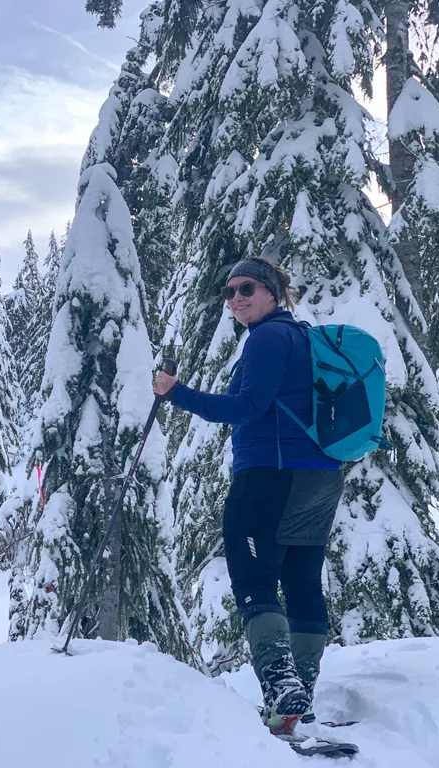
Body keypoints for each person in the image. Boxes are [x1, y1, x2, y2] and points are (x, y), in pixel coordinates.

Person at [153, 257, 344, 737]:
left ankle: (282, 685)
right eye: (229, 292)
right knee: (302, 583)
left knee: (253, 577)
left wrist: (177, 393)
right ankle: (296, 695)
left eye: (247, 289)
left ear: (273, 293)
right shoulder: (300, 337)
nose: (236, 299)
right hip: (320, 478)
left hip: (270, 474)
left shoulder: (266, 338)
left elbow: (247, 407)